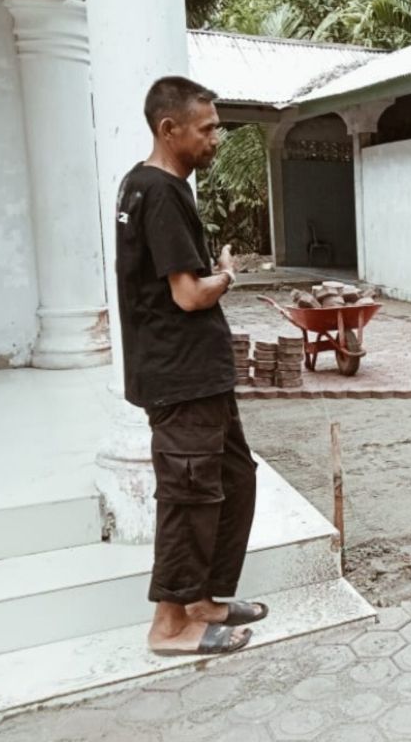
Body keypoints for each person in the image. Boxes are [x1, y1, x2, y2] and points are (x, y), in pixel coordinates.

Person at [116, 76, 267, 657]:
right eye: (206, 129)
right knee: (188, 493)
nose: (217, 138)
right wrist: (227, 273)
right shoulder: (161, 191)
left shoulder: (145, 184)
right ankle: (170, 624)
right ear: (168, 129)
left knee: (233, 479)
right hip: (180, 375)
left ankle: (205, 598)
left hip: (196, 373)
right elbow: (187, 296)